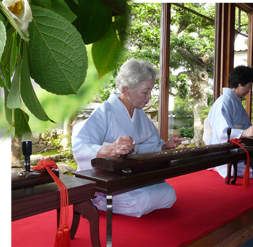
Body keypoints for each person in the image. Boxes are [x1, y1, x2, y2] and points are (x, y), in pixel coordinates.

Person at [72, 59, 185, 217]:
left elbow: (149, 143)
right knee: (142, 201)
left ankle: (113, 201)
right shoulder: (105, 111)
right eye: (145, 92)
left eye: (150, 91)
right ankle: (98, 201)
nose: (149, 97)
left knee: (169, 194)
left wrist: (165, 146)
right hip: (105, 177)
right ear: (126, 90)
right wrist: (108, 150)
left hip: (129, 174)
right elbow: (81, 145)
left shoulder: (139, 113)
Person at [208, 65, 253, 178]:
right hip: (223, 150)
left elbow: (246, 125)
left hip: (237, 147)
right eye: (250, 85)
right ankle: (217, 165)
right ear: (240, 83)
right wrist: (243, 133)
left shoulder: (236, 101)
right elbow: (223, 131)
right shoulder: (224, 101)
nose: (250, 89)